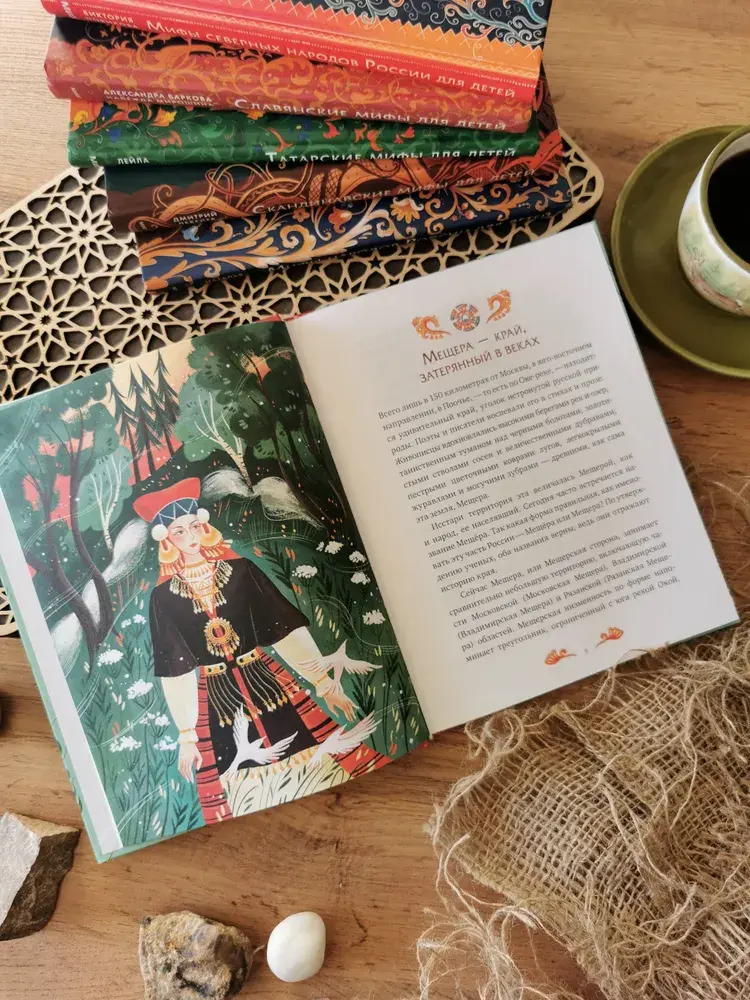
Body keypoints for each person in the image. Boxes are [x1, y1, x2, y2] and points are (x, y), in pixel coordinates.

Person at [133, 478, 388, 823]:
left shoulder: (241, 570)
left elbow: (282, 629)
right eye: (179, 532)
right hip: (217, 699)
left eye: (194, 526)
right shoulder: (163, 598)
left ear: (204, 526)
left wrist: (323, 682)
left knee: (309, 752)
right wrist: (186, 735)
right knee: (240, 781)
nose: (190, 537)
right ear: (167, 540)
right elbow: (175, 667)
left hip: (268, 680)